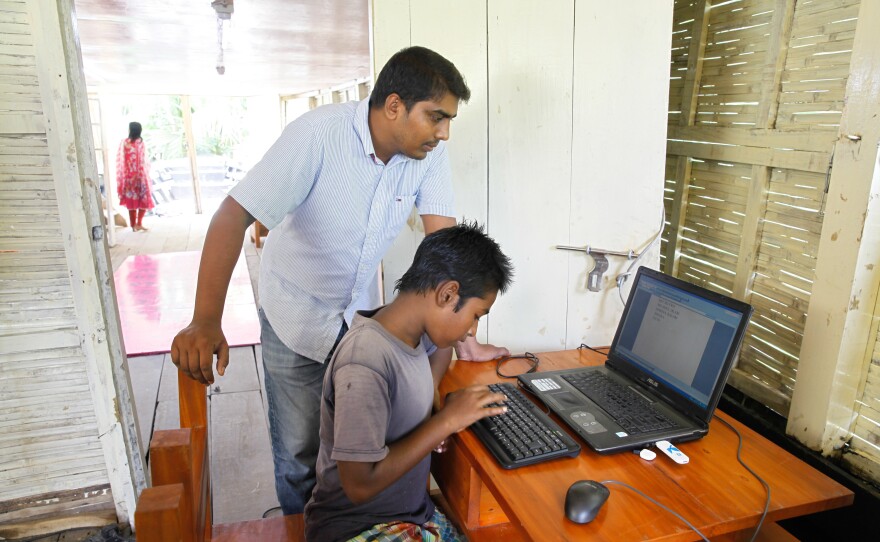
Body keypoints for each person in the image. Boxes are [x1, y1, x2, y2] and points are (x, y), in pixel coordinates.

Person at [170, 46, 509, 515]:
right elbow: (231, 217)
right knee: (298, 454)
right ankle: (301, 525)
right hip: (295, 312)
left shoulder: (427, 155)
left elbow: (449, 252)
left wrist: (463, 336)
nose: (444, 132)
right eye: (436, 117)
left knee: (357, 444)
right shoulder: (317, 136)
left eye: (448, 119)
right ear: (394, 106)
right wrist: (205, 320)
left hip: (355, 318)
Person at [304, 222, 513, 542]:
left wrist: (430, 410)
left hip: (409, 515)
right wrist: (444, 422)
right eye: (476, 316)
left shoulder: (413, 334)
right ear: (448, 293)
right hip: (359, 528)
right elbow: (359, 486)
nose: (471, 332)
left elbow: (440, 350)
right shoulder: (365, 360)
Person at [116, 121, 153, 231]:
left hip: (130, 177)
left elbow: (120, 160)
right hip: (140, 176)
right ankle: (137, 224)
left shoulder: (126, 142)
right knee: (142, 200)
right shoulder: (140, 143)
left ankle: (135, 225)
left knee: (132, 201)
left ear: (131, 130)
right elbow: (145, 160)